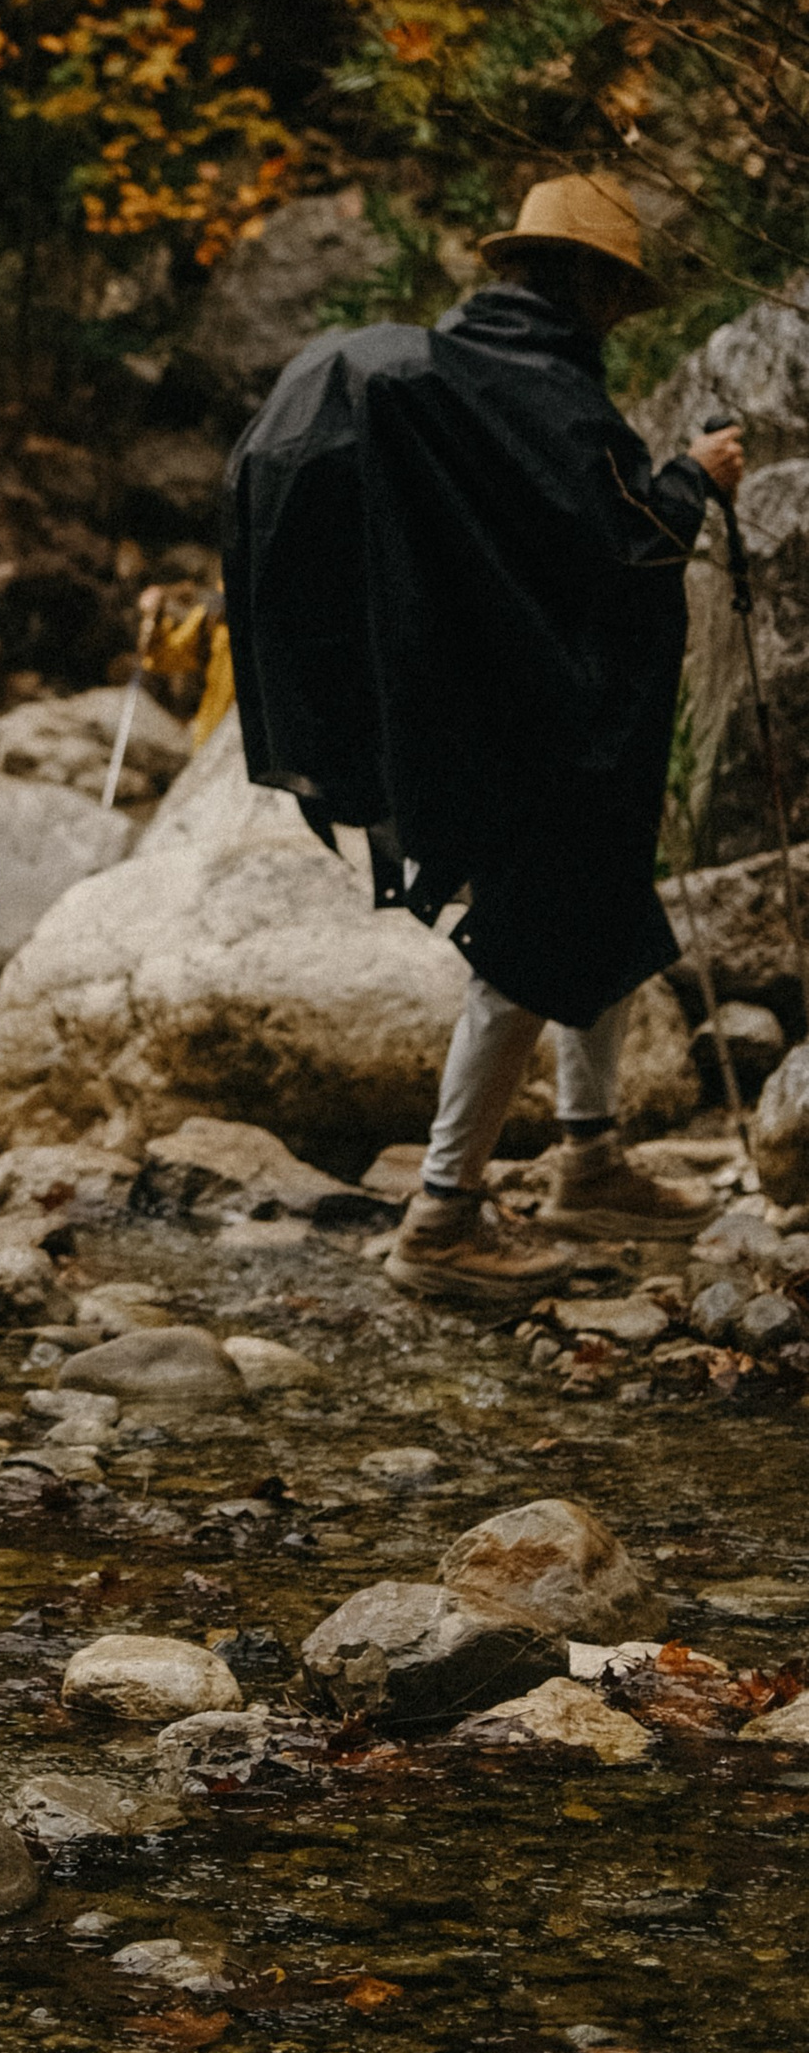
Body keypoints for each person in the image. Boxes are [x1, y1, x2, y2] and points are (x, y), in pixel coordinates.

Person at [223, 172, 743, 1307]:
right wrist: (693, 480)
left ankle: (589, 1160)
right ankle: (442, 1217)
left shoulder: (460, 376)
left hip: (458, 701)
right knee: (526, 945)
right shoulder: (539, 393)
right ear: (596, 285)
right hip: (529, 718)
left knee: (595, 899)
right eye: (617, 292)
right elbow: (619, 547)